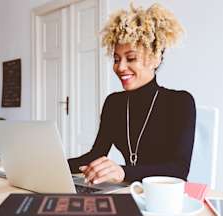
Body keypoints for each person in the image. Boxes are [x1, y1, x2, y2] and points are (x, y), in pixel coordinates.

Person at [68, 3, 196, 185]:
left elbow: (178, 170)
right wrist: (52, 166)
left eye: (131, 58)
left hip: (165, 196)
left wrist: (123, 172)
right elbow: (96, 155)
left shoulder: (180, 102)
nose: (120, 67)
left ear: (155, 58)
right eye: (116, 59)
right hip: (129, 190)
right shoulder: (114, 103)